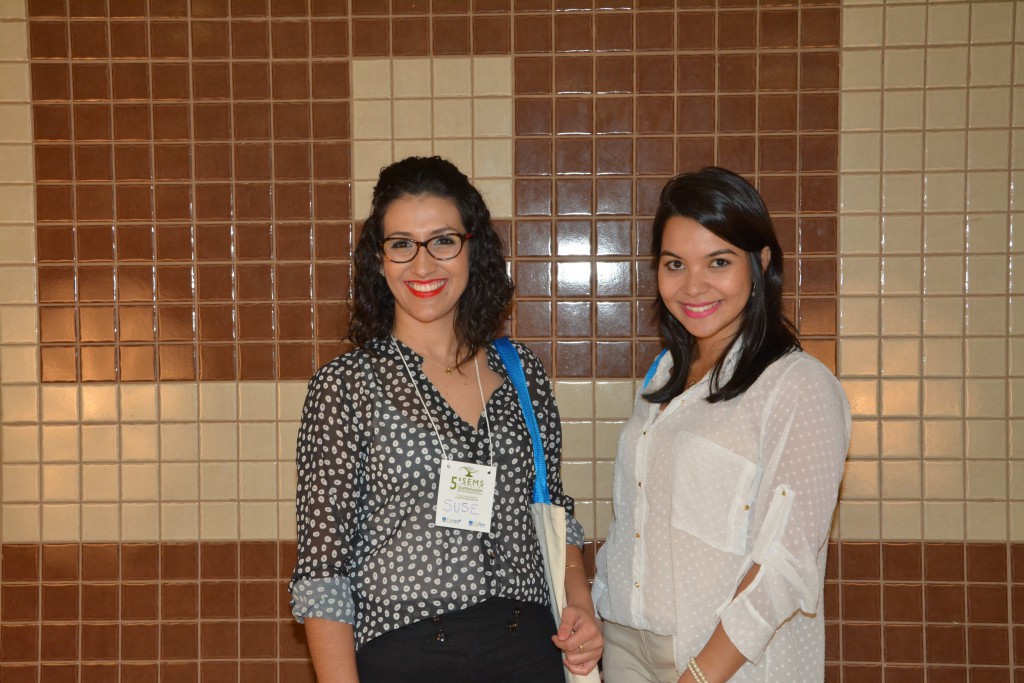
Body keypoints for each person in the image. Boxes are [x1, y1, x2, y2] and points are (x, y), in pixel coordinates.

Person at [289, 156, 602, 683]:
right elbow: (324, 570)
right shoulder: (345, 386)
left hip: (529, 649)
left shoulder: (521, 371)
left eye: (442, 241)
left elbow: (552, 508)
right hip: (407, 655)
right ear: (379, 259)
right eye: (401, 244)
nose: (422, 264)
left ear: (472, 248)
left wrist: (580, 602)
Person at [592, 167, 851, 683]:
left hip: (717, 664)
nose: (694, 286)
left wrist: (698, 675)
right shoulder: (666, 373)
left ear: (761, 263)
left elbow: (784, 564)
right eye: (675, 264)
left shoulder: (796, 385)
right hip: (624, 645)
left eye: (719, 261)